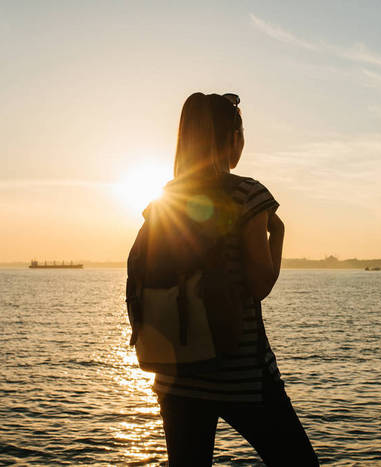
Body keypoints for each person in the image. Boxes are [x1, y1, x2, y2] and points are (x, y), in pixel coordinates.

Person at [136, 92, 319, 466]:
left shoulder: (163, 201)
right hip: (241, 374)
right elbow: (259, 284)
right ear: (231, 138)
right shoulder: (247, 194)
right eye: (242, 132)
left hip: (176, 374)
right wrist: (278, 233)